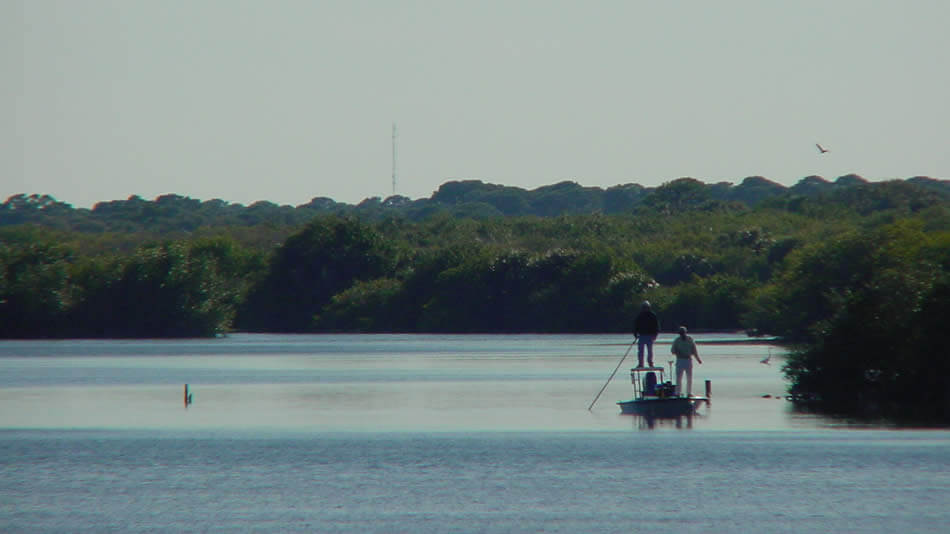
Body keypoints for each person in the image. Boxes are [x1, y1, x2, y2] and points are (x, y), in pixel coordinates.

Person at [671, 326, 702, 397]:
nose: (682, 334)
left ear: (685, 332)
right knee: (679, 377)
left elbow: (694, 350)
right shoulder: (677, 340)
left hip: (688, 360)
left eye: (683, 333)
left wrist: (698, 359)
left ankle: (689, 393)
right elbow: (672, 350)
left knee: (689, 377)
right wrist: (677, 352)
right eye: (680, 333)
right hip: (680, 360)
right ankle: (677, 393)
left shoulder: (690, 339)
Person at [632, 301, 660, 368]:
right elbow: (636, 325)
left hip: (650, 336)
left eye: (646, 307)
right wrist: (635, 334)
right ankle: (641, 363)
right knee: (640, 351)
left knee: (650, 351)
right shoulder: (640, 316)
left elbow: (656, 325)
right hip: (642, 336)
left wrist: (655, 334)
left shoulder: (652, 315)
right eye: (644, 307)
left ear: (649, 307)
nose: (645, 309)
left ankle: (650, 362)